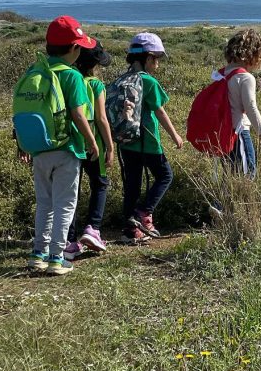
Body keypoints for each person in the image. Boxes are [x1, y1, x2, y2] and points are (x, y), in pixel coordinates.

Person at [22, 16, 100, 276]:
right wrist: (92, 142)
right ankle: (57, 257)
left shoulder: (35, 71)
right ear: (74, 49)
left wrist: (21, 143)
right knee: (65, 204)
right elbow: (79, 115)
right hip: (66, 149)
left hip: (38, 149)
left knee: (44, 203)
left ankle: (38, 254)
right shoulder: (72, 76)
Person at [117, 33, 183, 245]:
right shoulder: (149, 82)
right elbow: (160, 112)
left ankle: (130, 229)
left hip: (126, 140)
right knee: (165, 175)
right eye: (155, 59)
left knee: (132, 184)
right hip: (148, 140)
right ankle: (145, 213)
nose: (157, 64)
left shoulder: (123, 79)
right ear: (146, 58)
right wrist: (175, 136)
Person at [64, 41, 115, 261]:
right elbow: (102, 118)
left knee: (71, 190)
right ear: (96, 65)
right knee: (100, 183)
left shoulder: (69, 80)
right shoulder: (96, 85)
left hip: (73, 140)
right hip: (94, 138)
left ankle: (68, 239)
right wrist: (110, 146)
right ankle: (93, 229)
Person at [222, 28, 261, 175]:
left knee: (230, 174)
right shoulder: (245, 78)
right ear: (253, 54)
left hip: (222, 132)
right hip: (238, 131)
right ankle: (243, 199)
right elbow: (250, 107)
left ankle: (224, 199)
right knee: (248, 173)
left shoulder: (221, 74)